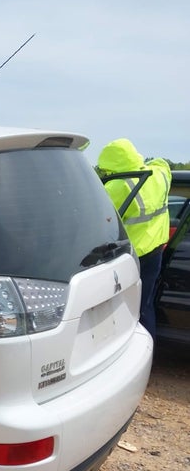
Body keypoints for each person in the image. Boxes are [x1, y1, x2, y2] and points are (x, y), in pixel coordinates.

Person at [97, 138, 171, 338]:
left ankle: (136, 350)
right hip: (156, 251)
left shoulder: (117, 187)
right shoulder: (159, 175)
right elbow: (162, 163)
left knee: (129, 309)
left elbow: (96, 217)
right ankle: (149, 346)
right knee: (145, 304)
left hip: (132, 257)